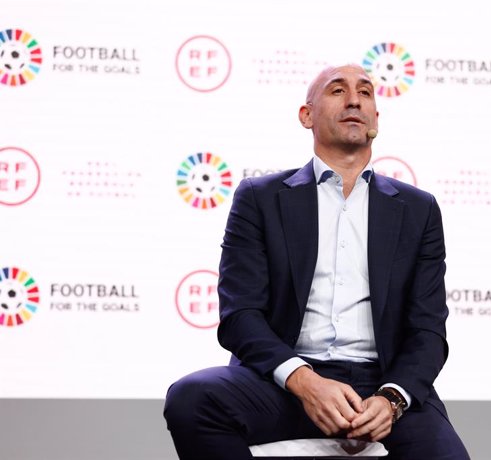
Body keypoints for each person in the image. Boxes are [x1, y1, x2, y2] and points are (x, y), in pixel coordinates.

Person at [164, 64, 471, 460]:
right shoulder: (260, 198)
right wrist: (305, 382)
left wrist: (392, 399)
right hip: (285, 384)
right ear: (306, 115)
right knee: (192, 399)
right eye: (337, 90)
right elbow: (241, 315)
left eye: (365, 92)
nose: (355, 99)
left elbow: (428, 331)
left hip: (380, 386)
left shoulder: (418, 209)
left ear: (376, 117)